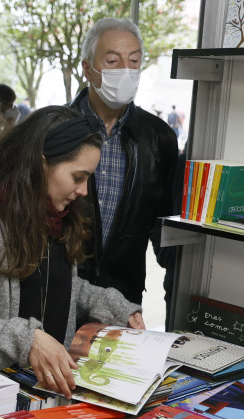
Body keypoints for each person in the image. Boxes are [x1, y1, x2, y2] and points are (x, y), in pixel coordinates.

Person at [0, 106, 144, 398]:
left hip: (43, 396)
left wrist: (113, 306)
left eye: (88, 178)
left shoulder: (58, 215)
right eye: (78, 176)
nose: (84, 191)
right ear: (41, 165)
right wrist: (26, 341)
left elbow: (55, 286)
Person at [68, 17, 177, 306]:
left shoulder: (159, 138)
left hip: (123, 298)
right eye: (114, 61)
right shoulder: (55, 128)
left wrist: (179, 278)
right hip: (59, 289)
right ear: (87, 69)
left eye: (134, 61)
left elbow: (163, 221)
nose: (126, 71)